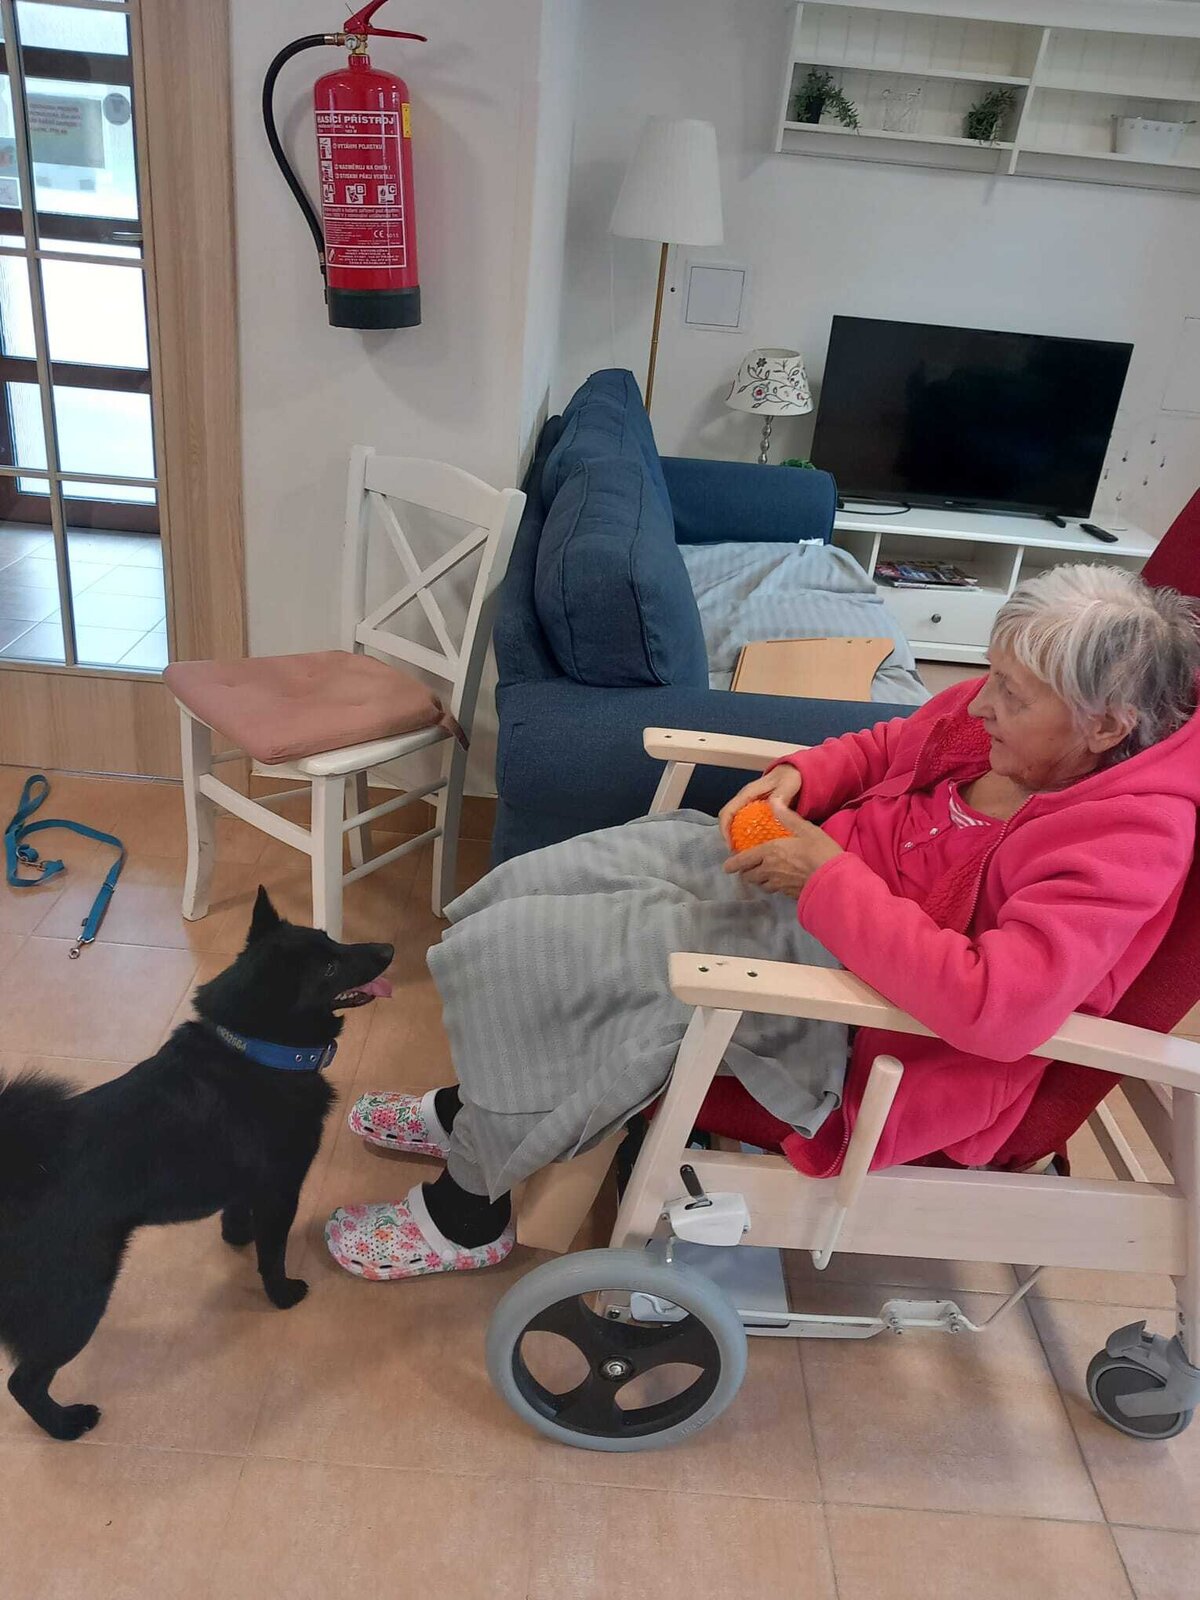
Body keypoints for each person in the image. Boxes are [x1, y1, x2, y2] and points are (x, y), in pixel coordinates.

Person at [326, 565, 1200, 1281]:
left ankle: (468, 1213)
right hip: (805, 889)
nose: (979, 706)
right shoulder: (1022, 725)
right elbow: (888, 745)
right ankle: (479, 1108)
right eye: (993, 680)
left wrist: (825, 877)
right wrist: (802, 778)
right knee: (535, 888)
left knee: (563, 958)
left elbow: (996, 1008)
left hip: (867, 1015)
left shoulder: (1129, 835)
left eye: (1010, 695)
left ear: (1106, 726)